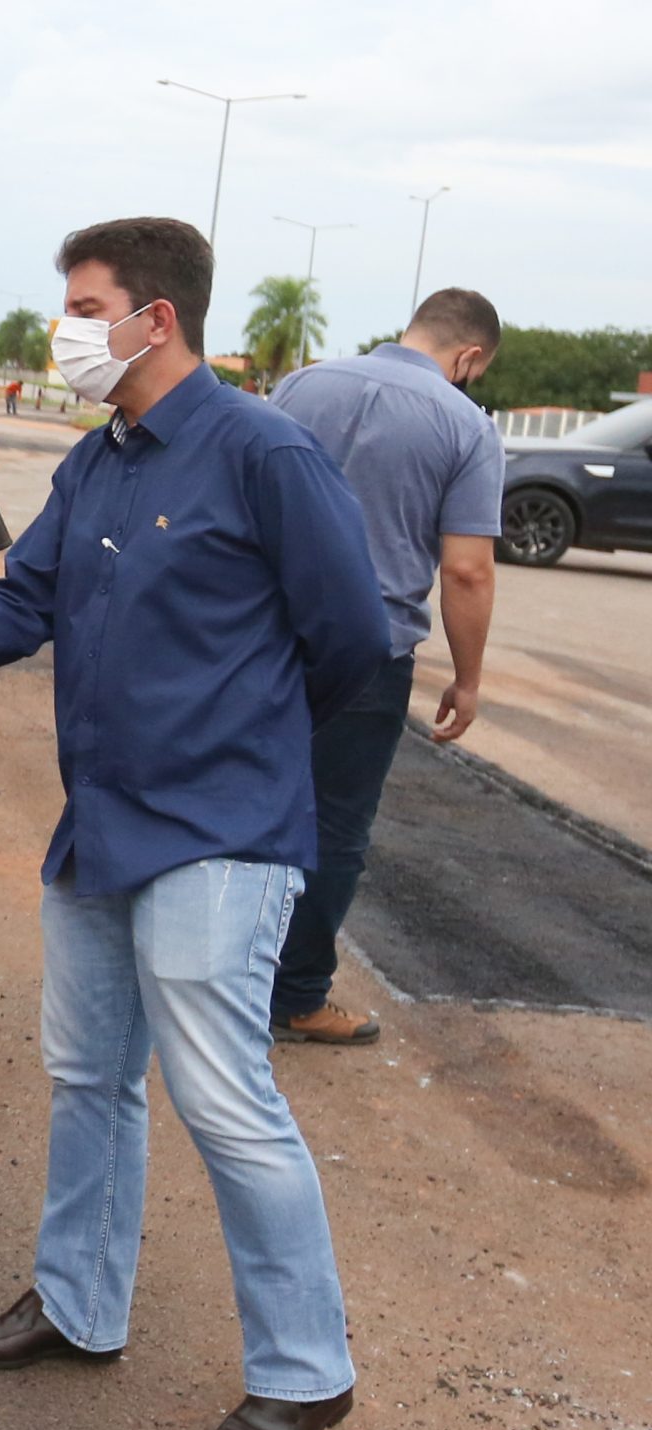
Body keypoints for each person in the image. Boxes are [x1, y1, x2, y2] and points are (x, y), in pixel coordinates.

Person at [0, 218, 386, 1430]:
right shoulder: (99, 458)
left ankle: (303, 1374)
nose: (65, 328)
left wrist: (248, 753)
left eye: (82, 305)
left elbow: (351, 639)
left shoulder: (263, 453)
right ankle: (78, 1304)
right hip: (102, 826)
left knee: (226, 1101)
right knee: (88, 1077)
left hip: (220, 834)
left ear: (154, 318)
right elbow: (29, 600)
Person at [262, 288, 504, 1046]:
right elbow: (467, 571)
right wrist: (465, 680)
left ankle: (199, 977)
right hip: (369, 653)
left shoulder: (301, 385)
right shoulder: (465, 424)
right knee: (333, 827)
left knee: (232, 798)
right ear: (469, 357)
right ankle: (296, 996)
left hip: (257, 636)